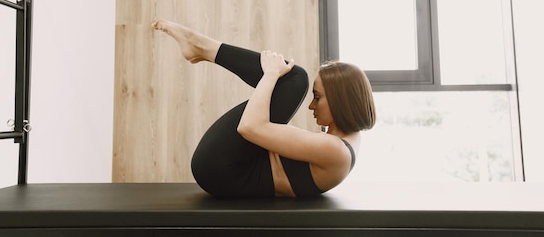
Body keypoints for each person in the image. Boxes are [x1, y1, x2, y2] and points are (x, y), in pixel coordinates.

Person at [152, 20, 376, 198]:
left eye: (317, 98)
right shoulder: (348, 140)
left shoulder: (336, 151)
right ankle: (201, 47)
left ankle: (201, 46)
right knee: (295, 78)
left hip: (220, 169)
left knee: (296, 79)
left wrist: (270, 73)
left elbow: (249, 127)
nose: (311, 106)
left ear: (339, 100)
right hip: (232, 167)